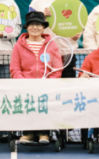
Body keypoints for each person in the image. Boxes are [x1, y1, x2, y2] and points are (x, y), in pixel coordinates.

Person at [9, 11, 62, 145]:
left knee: (45, 106)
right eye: (31, 24)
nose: (35, 27)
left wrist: (49, 82)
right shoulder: (18, 46)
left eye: (38, 24)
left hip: (47, 87)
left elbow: (57, 68)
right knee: (28, 107)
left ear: (43, 27)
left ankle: (44, 133)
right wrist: (25, 83)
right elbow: (15, 68)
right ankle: (28, 133)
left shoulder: (52, 45)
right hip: (26, 87)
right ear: (27, 27)